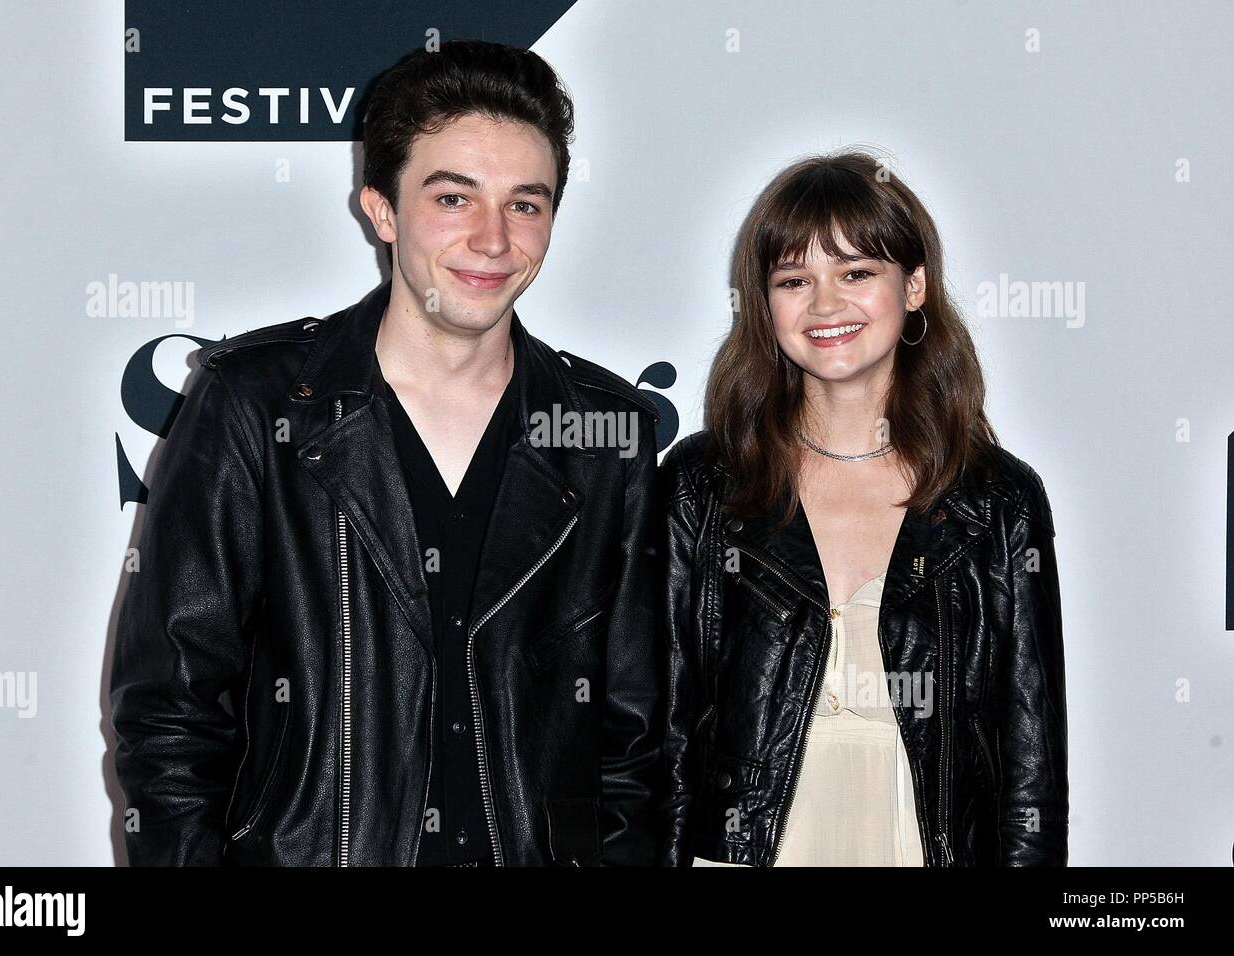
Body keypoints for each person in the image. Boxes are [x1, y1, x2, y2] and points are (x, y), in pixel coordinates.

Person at [110, 39, 664, 867]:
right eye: (453, 198)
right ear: (380, 209)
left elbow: (633, 743)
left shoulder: (603, 432)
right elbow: (171, 717)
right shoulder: (257, 405)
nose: (492, 239)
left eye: (526, 203)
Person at [659, 150, 1069, 866]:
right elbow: (658, 731)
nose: (825, 305)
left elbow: (1030, 763)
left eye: (856, 273)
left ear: (914, 287)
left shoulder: (998, 500)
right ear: (765, 303)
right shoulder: (702, 484)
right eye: (794, 280)